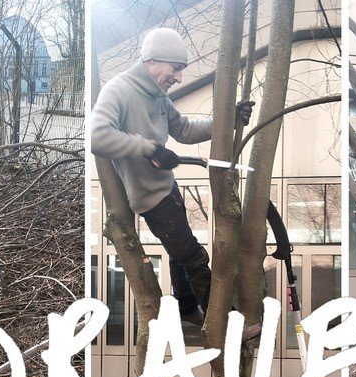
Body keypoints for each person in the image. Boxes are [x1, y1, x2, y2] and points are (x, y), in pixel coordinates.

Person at [90, 27, 254, 326]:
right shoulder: (119, 89)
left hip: (167, 187)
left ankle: (186, 309)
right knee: (194, 258)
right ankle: (223, 326)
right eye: (176, 68)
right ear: (152, 60)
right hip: (150, 198)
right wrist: (149, 147)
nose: (178, 77)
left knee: (180, 255)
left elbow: (184, 130)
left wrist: (227, 120)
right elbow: (97, 138)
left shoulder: (158, 97)